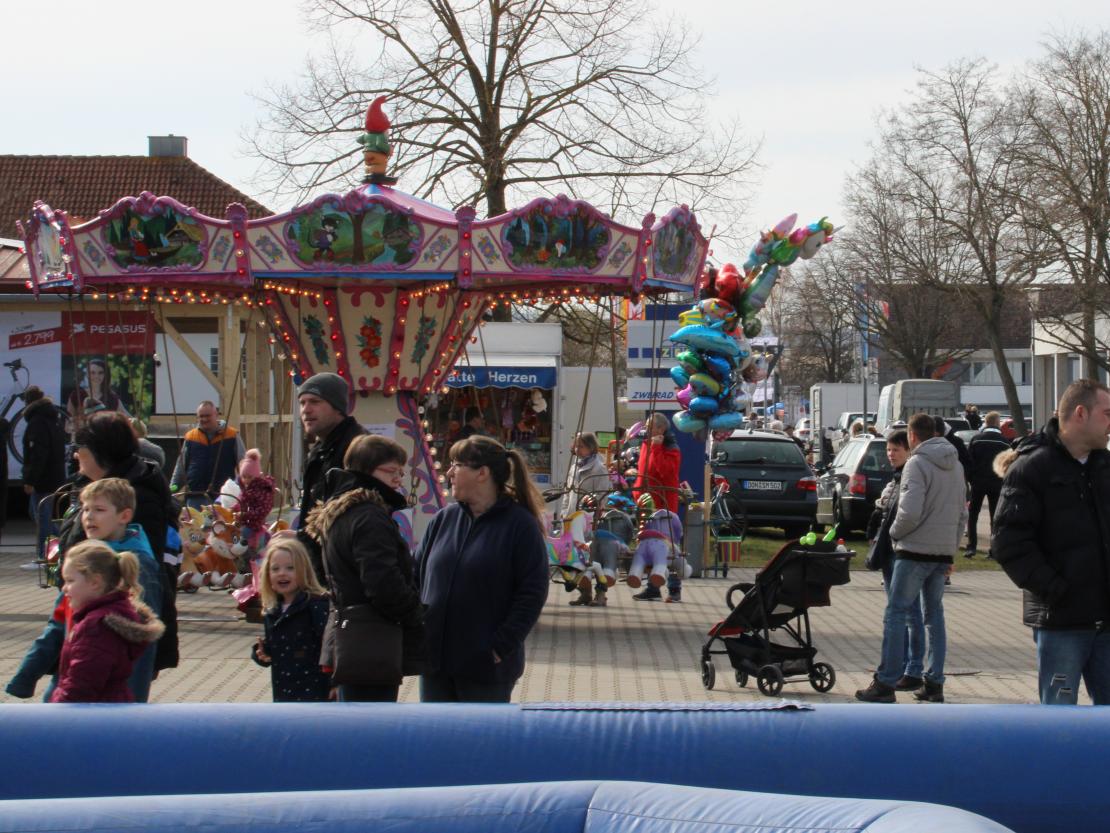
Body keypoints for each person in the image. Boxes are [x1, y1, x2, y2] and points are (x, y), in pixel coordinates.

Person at [5, 411, 178, 701]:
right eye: (87, 510)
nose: (74, 456)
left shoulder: (137, 501)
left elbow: (144, 608)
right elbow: (57, 624)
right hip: (81, 628)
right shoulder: (90, 489)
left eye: (78, 448)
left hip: (107, 652)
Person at [993, 379, 1110, 705]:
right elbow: (1008, 543)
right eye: (1107, 414)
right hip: (1062, 623)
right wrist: (1056, 589)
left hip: (1106, 622)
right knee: (1059, 721)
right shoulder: (1033, 469)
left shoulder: (1104, 467)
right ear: (1080, 413)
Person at [417, 435, 548, 703]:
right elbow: (416, 576)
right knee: (432, 743)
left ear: (482, 473)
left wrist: (499, 648)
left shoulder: (520, 526)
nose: (449, 472)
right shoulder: (444, 519)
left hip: (485, 669)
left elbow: (532, 594)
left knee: (479, 745)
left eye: (457, 464)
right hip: (435, 666)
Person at [856, 412, 966, 704]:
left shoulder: (916, 463)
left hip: (913, 550)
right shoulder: (955, 465)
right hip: (942, 551)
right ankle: (934, 682)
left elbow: (909, 510)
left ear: (913, 437)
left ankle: (886, 681)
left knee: (896, 613)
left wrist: (892, 534)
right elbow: (962, 513)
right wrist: (951, 547)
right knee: (934, 616)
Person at [306, 435, 425, 702]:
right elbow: (382, 583)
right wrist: (415, 613)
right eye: (391, 471)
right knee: (372, 723)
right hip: (371, 638)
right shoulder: (369, 516)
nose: (398, 479)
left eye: (401, 472)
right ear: (366, 470)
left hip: (349, 634)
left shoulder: (342, 513)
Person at [77, 477, 164, 702]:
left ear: (124, 516)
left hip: (118, 678)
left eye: (98, 509)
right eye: (85, 509)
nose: (88, 516)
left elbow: (144, 629)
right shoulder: (87, 556)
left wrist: (135, 690)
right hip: (86, 665)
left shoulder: (138, 563)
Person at [49, 540, 164, 703]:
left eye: (70, 581)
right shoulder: (108, 616)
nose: (64, 588)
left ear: (95, 582)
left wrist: (54, 716)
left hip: (92, 720)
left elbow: (80, 688)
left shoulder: (96, 627)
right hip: (109, 711)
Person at [864, 429, 925, 692]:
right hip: (891, 551)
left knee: (906, 613)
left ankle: (909, 669)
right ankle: (902, 667)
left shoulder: (911, 475)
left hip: (900, 550)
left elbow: (904, 515)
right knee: (902, 611)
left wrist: (891, 534)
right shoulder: (897, 477)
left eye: (896, 450)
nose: (890, 455)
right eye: (888, 450)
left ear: (908, 449)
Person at [295, 372, 367, 582]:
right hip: (321, 565)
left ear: (337, 407)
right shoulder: (320, 449)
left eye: (315, 402)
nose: (306, 410)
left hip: (344, 569)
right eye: (302, 403)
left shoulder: (357, 447)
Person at [251, 536, 332, 702]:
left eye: (290, 568)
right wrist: (262, 653)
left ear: (304, 570)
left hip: (316, 692)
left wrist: (336, 683)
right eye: (275, 569)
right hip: (284, 692)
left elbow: (331, 648)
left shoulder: (316, 605)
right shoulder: (272, 610)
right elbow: (276, 647)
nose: (282, 573)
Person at [632, 413, 682, 603]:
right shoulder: (646, 444)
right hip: (647, 504)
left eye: (650, 426)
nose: (647, 429)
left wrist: (657, 448)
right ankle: (652, 588)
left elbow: (664, 472)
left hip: (663, 505)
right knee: (649, 545)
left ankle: (675, 589)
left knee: (669, 547)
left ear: (661, 430)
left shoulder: (671, 449)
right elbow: (644, 472)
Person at [20, 385, 66, 560]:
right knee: (41, 514)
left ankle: (44, 554)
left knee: (41, 515)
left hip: (43, 478)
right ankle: (60, 543)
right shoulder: (53, 418)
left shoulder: (37, 422)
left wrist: (30, 479)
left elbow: (37, 454)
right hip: (54, 475)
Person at [170, 401, 245, 508]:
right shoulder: (191, 437)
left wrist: (243, 489)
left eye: (207, 416)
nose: (204, 419)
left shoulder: (231, 435)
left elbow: (243, 463)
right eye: (201, 416)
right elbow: (181, 467)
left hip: (222, 497)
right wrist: (172, 489)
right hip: (195, 496)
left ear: (216, 415)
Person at [965, 411, 1010, 559]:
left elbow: (969, 462)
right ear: (997, 423)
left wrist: (972, 479)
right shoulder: (1004, 442)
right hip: (996, 484)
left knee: (973, 515)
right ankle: (993, 550)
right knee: (994, 517)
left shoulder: (976, 439)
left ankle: (971, 547)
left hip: (978, 483)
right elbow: (1007, 465)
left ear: (986, 422)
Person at [66, 358, 126, 432]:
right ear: (87, 374)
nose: (96, 376)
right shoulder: (76, 395)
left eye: (100, 372)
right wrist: (76, 425)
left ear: (106, 374)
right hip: (83, 441)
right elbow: (67, 425)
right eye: (92, 373)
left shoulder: (112, 398)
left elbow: (127, 419)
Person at [935, 415, 972, 484]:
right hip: (957, 481)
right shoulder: (958, 441)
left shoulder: (956, 442)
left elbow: (966, 461)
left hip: (955, 480)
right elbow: (967, 462)